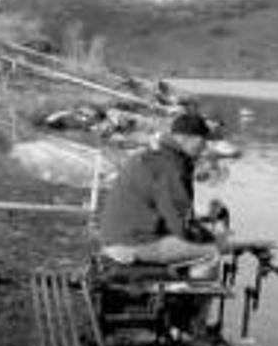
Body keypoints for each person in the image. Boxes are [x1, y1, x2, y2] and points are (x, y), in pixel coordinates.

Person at [98, 112, 232, 277]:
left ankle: (180, 280)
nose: (204, 147)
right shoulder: (170, 167)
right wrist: (212, 237)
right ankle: (188, 298)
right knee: (212, 253)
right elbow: (181, 226)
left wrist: (198, 226)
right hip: (132, 244)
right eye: (202, 141)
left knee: (195, 244)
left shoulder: (153, 156)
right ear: (186, 138)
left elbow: (171, 213)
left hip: (114, 239)